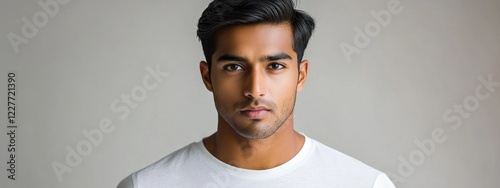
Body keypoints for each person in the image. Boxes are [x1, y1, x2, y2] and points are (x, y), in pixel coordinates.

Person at [118, 0, 396, 187]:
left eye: (275, 66)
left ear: (300, 75)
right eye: (234, 66)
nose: (254, 89)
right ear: (207, 76)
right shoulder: (148, 185)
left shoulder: (364, 184)